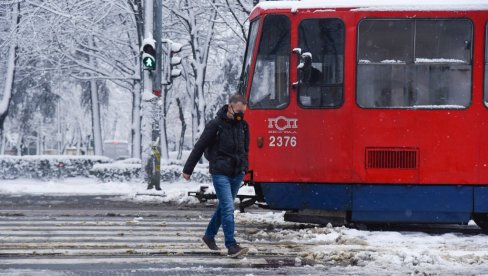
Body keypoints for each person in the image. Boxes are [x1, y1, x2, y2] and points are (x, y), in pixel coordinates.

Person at [182, 93, 249, 258]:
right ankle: (231, 246)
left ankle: (209, 236)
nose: (240, 115)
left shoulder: (244, 126)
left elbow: (245, 149)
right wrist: (188, 169)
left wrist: (243, 168)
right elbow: (200, 146)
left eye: (243, 111)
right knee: (227, 207)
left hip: (236, 173)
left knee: (223, 207)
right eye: (238, 111)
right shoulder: (216, 125)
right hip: (220, 172)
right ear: (230, 106)